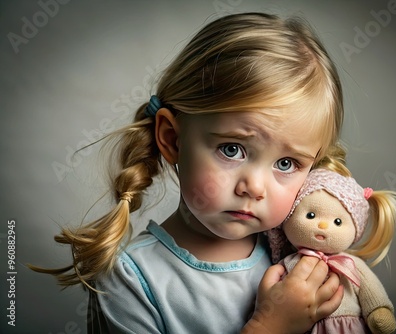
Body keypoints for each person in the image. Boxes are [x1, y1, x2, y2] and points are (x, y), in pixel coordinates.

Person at [31, 12, 351, 333]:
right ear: (172, 138)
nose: (254, 187)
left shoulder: (302, 255)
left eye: (286, 164)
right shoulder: (131, 280)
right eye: (232, 149)